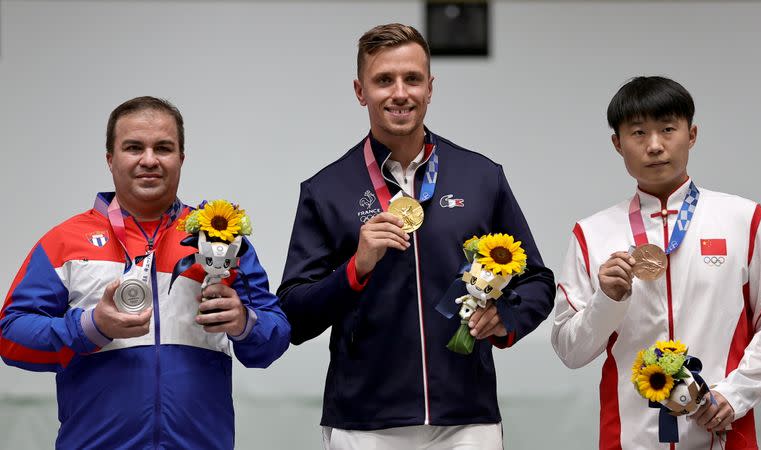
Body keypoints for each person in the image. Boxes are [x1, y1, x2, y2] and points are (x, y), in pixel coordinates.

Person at [277, 23, 555, 450]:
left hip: (467, 419)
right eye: (383, 80)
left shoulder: (481, 177)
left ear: (430, 87)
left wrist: (507, 318)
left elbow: (537, 280)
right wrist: (357, 266)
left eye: (412, 79)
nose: (400, 93)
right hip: (363, 423)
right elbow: (294, 314)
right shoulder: (326, 190)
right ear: (360, 91)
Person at [0, 96, 291, 449]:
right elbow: (10, 336)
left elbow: (274, 339)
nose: (149, 160)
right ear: (110, 159)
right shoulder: (65, 242)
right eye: (134, 147)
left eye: (163, 148)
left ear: (181, 157)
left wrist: (244, 321)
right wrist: (90, 327)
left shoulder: (220, 239)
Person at [551, 76, 761, 449]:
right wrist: (607, 300)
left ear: (692, 134)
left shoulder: (743, 219)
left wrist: (736, 393)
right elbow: (570, 350)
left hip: (724, 432)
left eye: (667, 129)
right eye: (638, 133)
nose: (654, 146)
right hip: (628, 437)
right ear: (618, 144)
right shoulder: (592, 233)